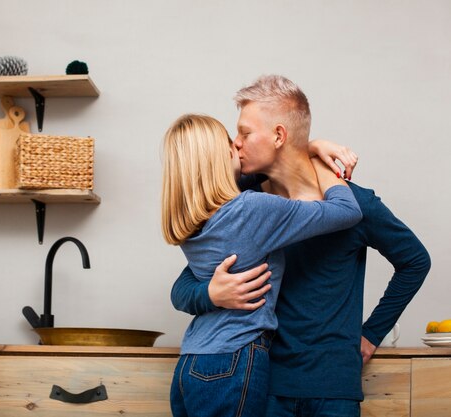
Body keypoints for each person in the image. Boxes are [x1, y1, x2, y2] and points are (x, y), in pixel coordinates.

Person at [171, 75, 431, 417]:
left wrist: (371, 334)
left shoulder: (355, 204)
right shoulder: (248, 203)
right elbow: (183, 285)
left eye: (245, 133)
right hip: (263, 383)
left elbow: (416, 261)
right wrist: (211, 294)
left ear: (279, 135)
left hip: (332, 389)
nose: (235, 144)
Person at [161, 112, 363, 417]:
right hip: (234, 360)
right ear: (221, 156)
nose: (240, 148)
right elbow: (346, 210)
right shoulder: (251, 210)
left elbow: (251, 177)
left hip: (190, 362)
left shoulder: (193, 221)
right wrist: (321, 162)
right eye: (232, 143)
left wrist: (307, 146)